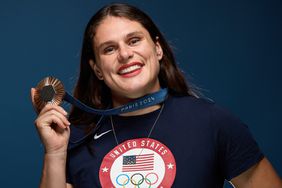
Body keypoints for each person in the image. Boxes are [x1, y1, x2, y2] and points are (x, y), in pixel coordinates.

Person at [31, 3, 282, 188]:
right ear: (97, 68)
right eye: (109, 48)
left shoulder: (212, 121)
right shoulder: (73, 137)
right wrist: (54, 154)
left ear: (158, 48)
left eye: (134, 40)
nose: (125, 54)